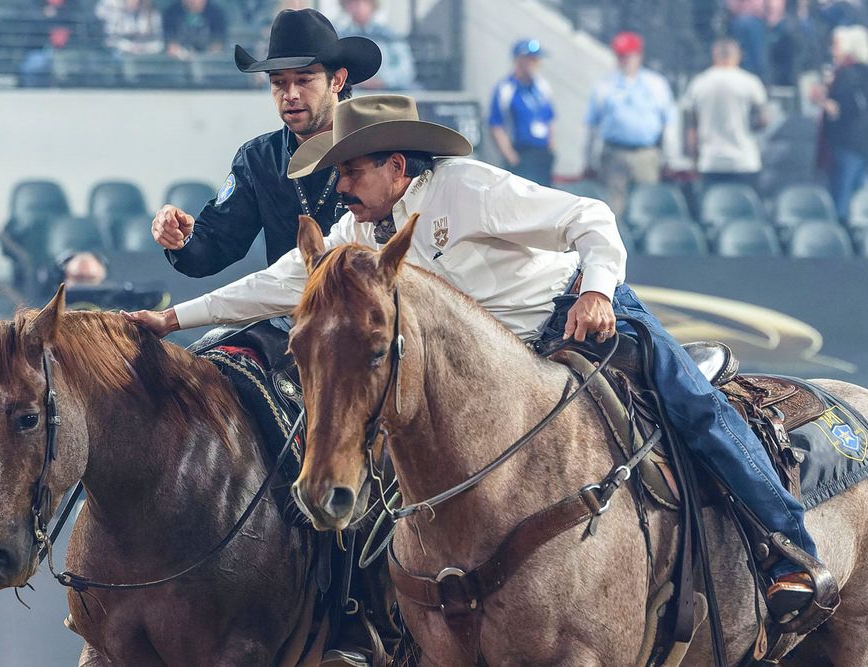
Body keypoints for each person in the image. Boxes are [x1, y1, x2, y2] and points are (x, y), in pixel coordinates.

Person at [127, 93, 829, 617]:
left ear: (396, 166)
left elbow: (592, 218)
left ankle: (789, 549)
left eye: (350, 172)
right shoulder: (358, 231)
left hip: (578, 317)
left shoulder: (470, 190)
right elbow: (279, 283)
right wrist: (171, 317)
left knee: (695, 406)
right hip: (499, 362)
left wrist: (598, 291)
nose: (339, 186)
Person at [150, 8, 382, 277]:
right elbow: (216, 246)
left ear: (337, 81)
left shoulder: (377, 150)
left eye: (304, 80)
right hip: (288, 312)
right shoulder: (258, 159)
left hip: (369, 307)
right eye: (278, 82)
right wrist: (182, 238)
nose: (290, 94)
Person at [586, 31, 675, 217]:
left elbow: (668, 123)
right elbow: (592, 126)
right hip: (614, 153)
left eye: (627, 55)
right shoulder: (605, 85)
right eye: (620, 56)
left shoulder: (656, 84)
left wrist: (669, 156)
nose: (623, 60)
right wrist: (588, 158)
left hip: (646, 153)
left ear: (638, 55)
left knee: (647, 204)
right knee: (613, 208)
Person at [683, 37, 769, 192]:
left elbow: (691, 127)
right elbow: (762, 120)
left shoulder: (698, 83)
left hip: (710, 160)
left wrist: (693, 160)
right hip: (744, 159)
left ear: (714, 56)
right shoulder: (750, 83)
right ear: (738, 56)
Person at [812, 24, 868, 222]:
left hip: (846, 143)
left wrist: (821, 100)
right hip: (862, 143)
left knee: (841, 199)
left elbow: (841, 110)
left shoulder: (847, 74)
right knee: (857, 194)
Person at [489, 38, 555, 185]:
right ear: (520, 60)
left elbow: (549, 119)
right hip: (520, 153)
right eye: (532, 59)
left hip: (542, 154)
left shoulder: (542, 86)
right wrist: (510, 155)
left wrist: (551, 149)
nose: (537, 63)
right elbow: (496, 125)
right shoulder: (506, 88)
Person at [335, 0, 417, 90]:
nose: (359, 7)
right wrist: (359, 82)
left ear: (373, 4)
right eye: (353, 2)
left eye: (365, 2)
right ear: (345, 5)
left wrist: (382, 81)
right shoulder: (340, 37)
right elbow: (335, 71)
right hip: (354, 97)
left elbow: (406, 71)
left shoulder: (390, 35)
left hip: (389, 95)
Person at [95, 0, 164, 56]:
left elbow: (158, 41)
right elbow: (110, 39)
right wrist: (128, 47)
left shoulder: (152, 13)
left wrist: (141, 48)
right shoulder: (110, 5)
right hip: (115, 52)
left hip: (145, 53)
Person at [162, 0, 228, 59]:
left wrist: (208, 57)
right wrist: (180, 54)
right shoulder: (171, 12)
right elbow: (171, 45)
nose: (193, 1)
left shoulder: (216, 12)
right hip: (179, 61)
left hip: (208, 62)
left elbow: (217, 45)